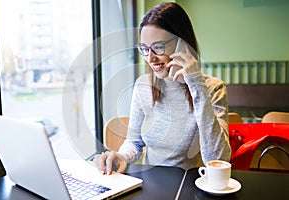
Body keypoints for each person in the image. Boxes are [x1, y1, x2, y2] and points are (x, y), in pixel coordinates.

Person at [95, 2, 231, 175]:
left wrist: (196, 85)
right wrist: (122, 156)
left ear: (183, 44)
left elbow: (218, 159)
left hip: (189, 185)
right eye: (144, 49)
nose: (150, 58)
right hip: (151, 184)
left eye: (158, 47)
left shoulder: (213, 88)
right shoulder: (143, 86)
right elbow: (134, 142)